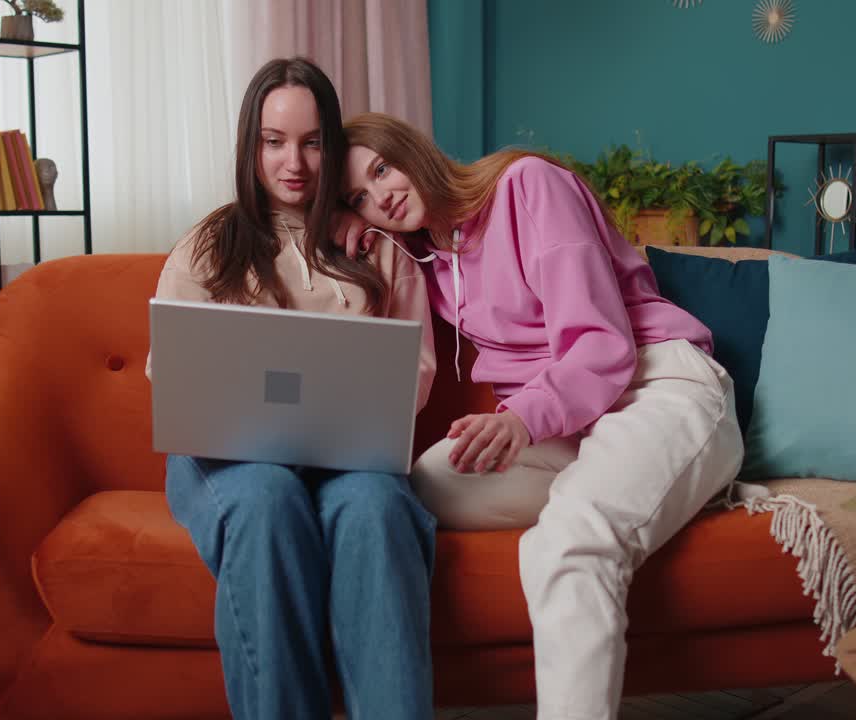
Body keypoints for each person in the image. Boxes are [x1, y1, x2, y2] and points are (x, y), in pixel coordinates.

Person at [341, 112, 744, 720]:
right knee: (416, 488)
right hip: (569, 427)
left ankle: (663, 475)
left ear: (412, 152)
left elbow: (603, 346)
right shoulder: (428, 258)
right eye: (360, 198)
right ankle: (653, 484)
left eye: (382, 169)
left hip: (655, 383)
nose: (382, 196)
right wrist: (349, 229)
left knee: (568, 543)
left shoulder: (527, 185)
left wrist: (522, 419)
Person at [148, 62, 437, 720]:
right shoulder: (207, 246)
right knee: (266, 498)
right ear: (251, 146)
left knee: (376, 510)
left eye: (312, 141)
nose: (294, 162)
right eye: (274, 141)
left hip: (350, 458)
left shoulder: (377, 249)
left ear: (332, 147)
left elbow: (414, 373)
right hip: (230, 464)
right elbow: (171, 371)